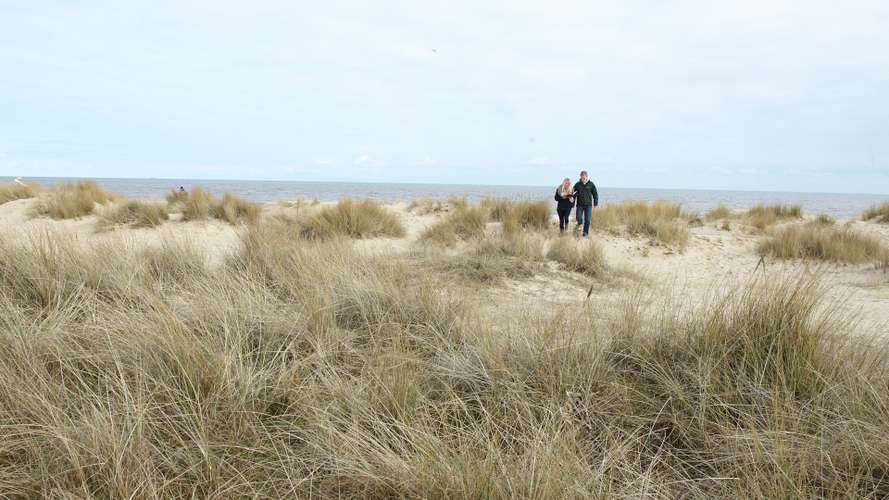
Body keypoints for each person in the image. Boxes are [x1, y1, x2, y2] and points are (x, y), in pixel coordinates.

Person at [573, 170, 598, 237]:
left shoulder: (591, 184)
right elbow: (573, 194)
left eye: (584, 177)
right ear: (580, 177)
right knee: (579, 218)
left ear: (587, 177)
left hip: (588, 205)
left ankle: (585, 234)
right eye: (582, 177)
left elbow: (595, 194)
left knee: (587, 220)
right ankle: (578, 229)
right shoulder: (577, 184)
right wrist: (572, 203)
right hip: (579, 205)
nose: (583, 179)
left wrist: (595, 203)